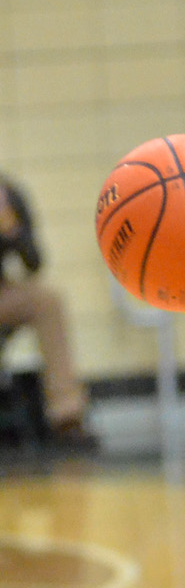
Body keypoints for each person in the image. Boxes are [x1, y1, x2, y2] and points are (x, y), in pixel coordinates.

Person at [0, 175, 95, 449]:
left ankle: (67, 415)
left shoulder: (9, 196)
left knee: (48, 300)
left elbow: (34, 264)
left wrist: (13, 232)